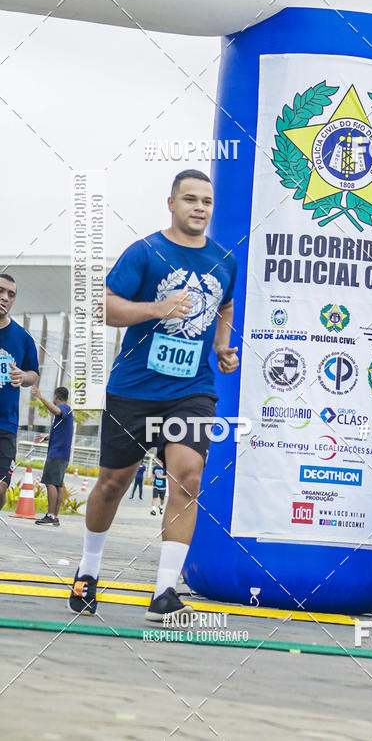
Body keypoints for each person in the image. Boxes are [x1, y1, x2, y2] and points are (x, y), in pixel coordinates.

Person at [69, 170, 239, 621]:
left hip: (192, 390)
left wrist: (221, 347)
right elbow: (102, 305)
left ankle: (164, 592)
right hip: (135, 390)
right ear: (171, 203)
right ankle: (88, 569)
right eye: (190, 199)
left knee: (189, 475)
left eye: (206, 201)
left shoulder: (224, 260)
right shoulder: (145, 253)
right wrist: (156, 308)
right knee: (113, 484)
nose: (199, 208)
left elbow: (224, 305)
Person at [0, 274, 39, 511]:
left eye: (10, 294)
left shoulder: (23, 338)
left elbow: (33, 374)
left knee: (1, 487)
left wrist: (23, 376)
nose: (4, 297)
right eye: (0, 291)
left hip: (5, 424)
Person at [32, 386, 74, 526]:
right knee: (57, 484)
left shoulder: (65, 408)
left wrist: (40, 396)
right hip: (62, 453)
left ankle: (50, 516)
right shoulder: (67, 412)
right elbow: (62, 434)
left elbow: (56, 410)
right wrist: (46, 437)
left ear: (56, 396)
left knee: (50, 483)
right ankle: (55, 517)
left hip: (57, 454)